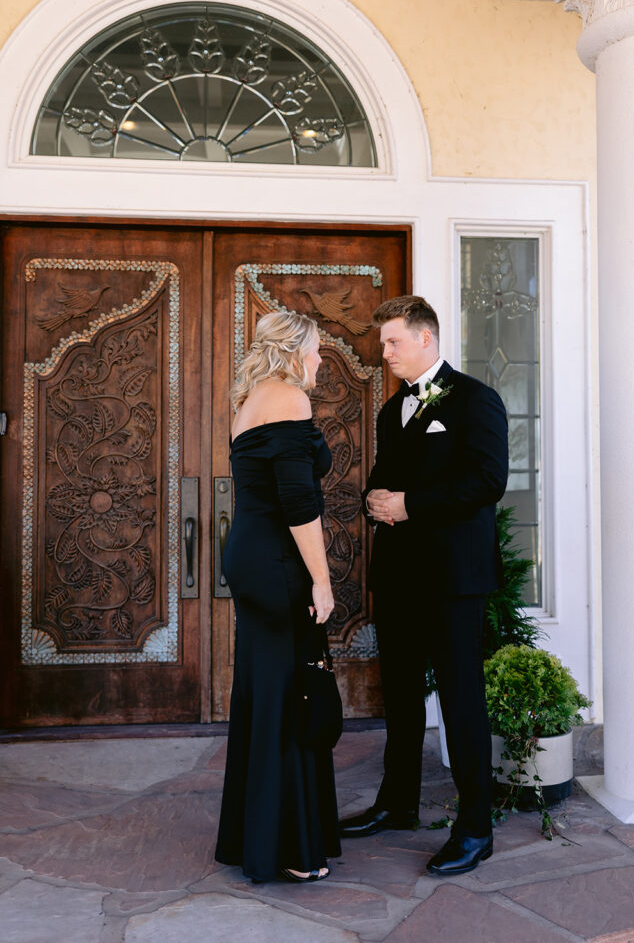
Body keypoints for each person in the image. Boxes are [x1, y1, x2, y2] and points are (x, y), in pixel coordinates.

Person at [339, 295, 508, 875]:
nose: (384, 353)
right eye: (383, 343)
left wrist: (410, 504)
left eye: (392, 342)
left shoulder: (476, 400)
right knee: (402, 695)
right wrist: (374, 499)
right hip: (399, 576)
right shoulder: (393, 410)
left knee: (461, 699)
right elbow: (386, 477)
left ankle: (476, 828)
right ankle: (398, 804)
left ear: (425, 338)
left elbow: (488, 480)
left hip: (454, 578)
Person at [215, 310, 340, 884]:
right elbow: (297, 503)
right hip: (276, 560)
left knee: (265, 690)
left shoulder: (248, 402)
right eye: (315, 349)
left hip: (250, 555)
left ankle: (257, 839)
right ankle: (290, 848)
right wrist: (322, 579)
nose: (320, 358)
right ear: (292, 352)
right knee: (290, 691)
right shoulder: (289, 399)